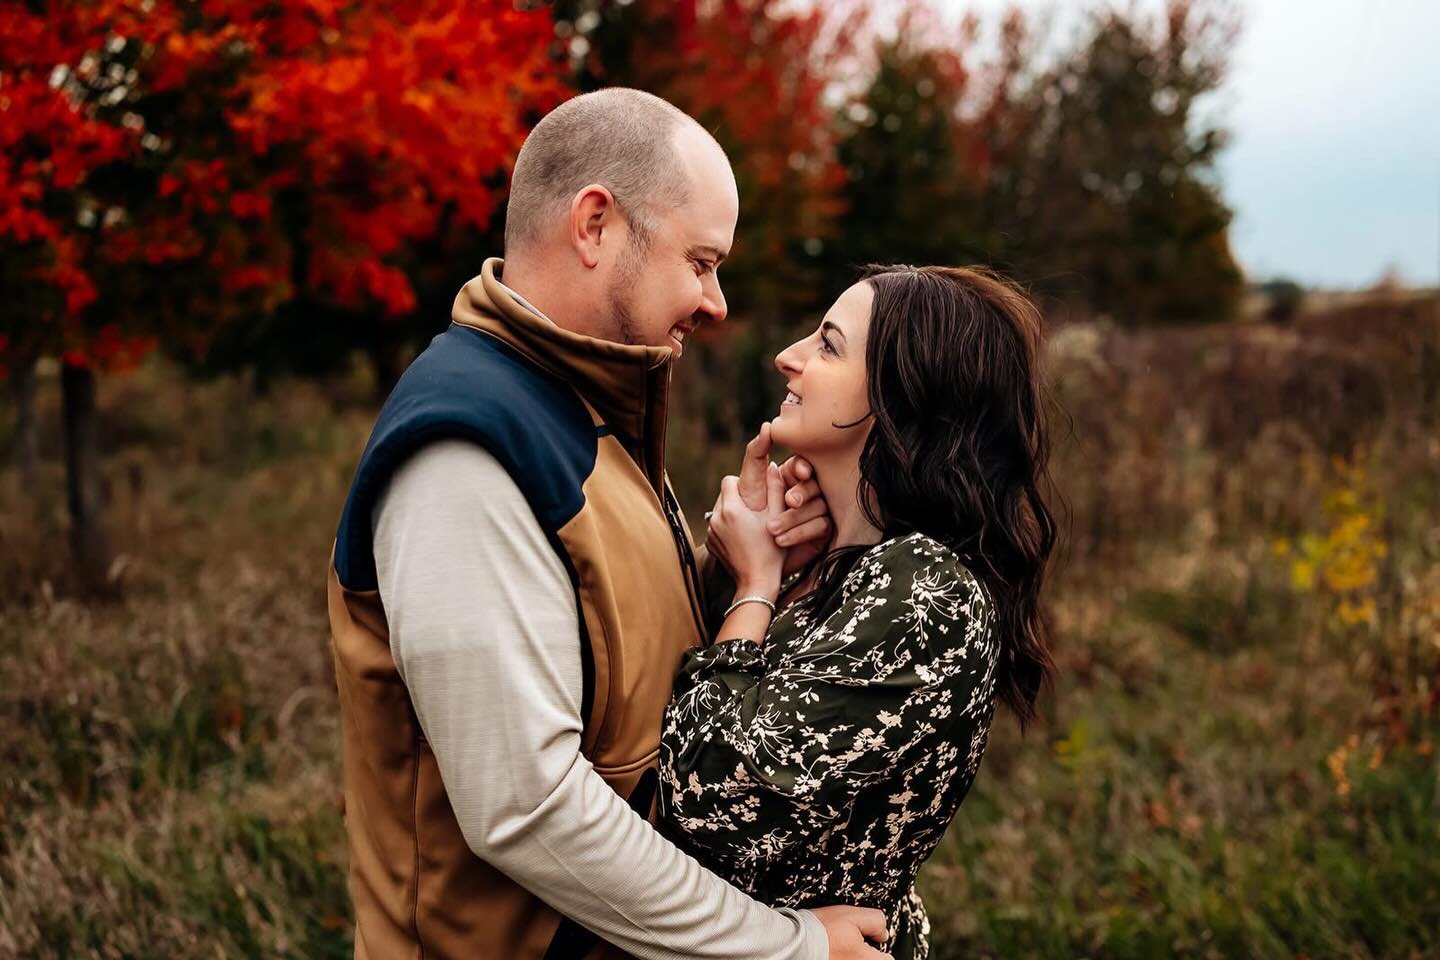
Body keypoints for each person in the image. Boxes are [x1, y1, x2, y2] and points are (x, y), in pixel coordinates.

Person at [327, 88, 889, 959]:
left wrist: (737, 568)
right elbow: (526, 807)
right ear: (596, 225)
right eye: (700, 261)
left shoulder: (579, 402)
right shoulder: (466, 448)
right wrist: (785, 947)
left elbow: (607, 671)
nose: (717, 303)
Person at [659, 265, 1059, 960]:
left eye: (830, 345)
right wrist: (755, 562)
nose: (789, 356)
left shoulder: (926, 595)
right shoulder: (845, 572)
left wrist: (755, 579)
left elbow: (707, 795)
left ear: (905, 401)